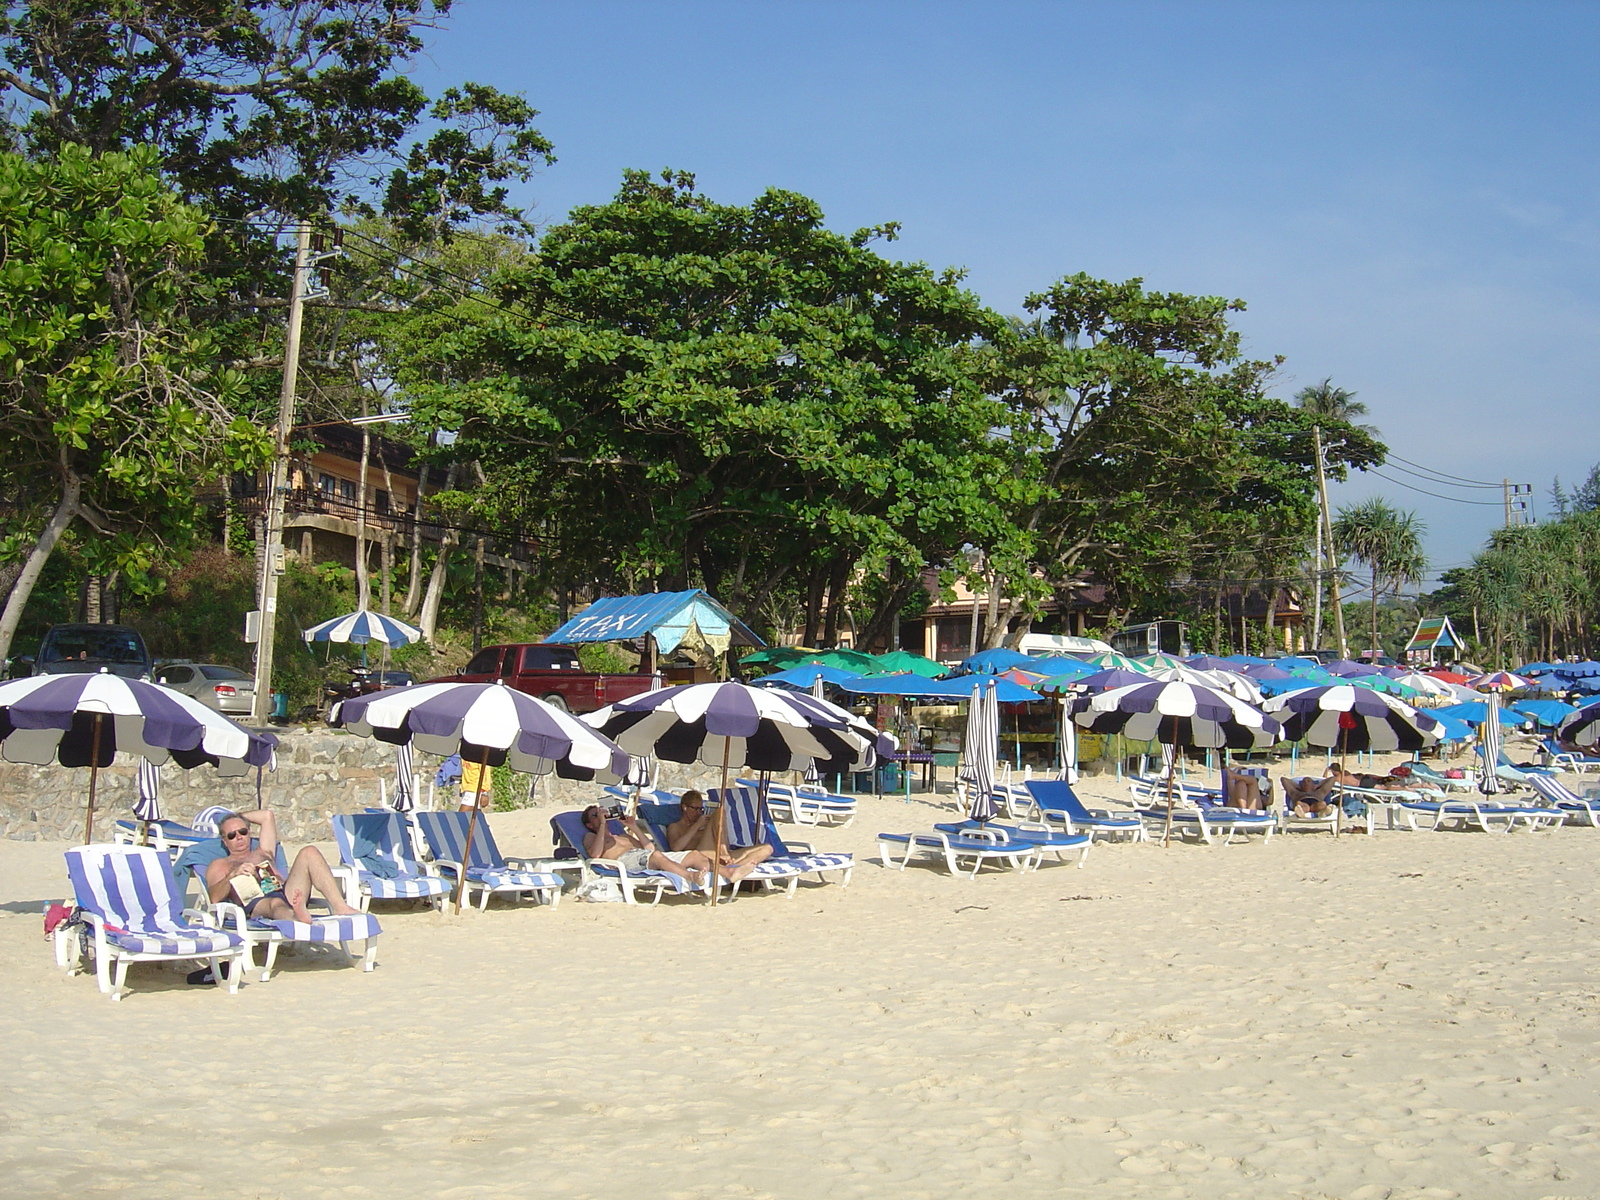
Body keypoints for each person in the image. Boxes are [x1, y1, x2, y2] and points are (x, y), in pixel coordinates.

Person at [205, 809, 360, 924]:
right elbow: (214, 897)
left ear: (249, 832)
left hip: (286, 892)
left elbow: (267, 816)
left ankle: (340, 906)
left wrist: (236, 816)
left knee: (309, 852)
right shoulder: (221, 865)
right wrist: (234, 875)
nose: (239, 837)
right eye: (232, 835)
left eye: (243, 832)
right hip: (256, 903)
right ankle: (296, 917)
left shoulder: (263, 851)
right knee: (275, 903)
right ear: (224, 841)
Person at [581, 804, 754, 887]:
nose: (600, 815)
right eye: (595, 815)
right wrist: (603, 825)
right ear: (589, 824)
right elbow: (595, 855)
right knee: (656, 856)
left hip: (645, 857)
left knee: (694, 854)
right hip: (626, 862)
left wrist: (633, 827)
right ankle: (690, 876)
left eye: (600, 813)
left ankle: (730, 873)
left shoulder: (623, 835)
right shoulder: (590, 836)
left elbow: (649, 849)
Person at [665, 790, 774, 872]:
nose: (698, 812)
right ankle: (726, 857)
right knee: (719, 811)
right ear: (684, 807)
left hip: (719, 856)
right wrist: (697, 826)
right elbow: (675, 848)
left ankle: (731, 868)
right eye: (695, 808)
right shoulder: (675, 826)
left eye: (700, 809)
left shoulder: (704, 823)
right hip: (701, 857)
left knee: (767, 848)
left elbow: (723, 838)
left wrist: (713, 826)